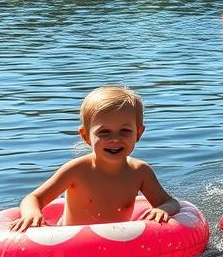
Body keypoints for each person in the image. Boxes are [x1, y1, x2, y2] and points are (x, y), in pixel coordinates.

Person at [10, 86, 180, 231]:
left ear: (139, 133)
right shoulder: (77, 170)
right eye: (104, 132)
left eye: (125, 131)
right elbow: (33, 198)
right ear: (85, 136)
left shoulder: (140, 172)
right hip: (70, 240)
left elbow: (170, 202)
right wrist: (32, 213)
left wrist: (163, 209)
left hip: (117, 241)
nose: (115, 139)